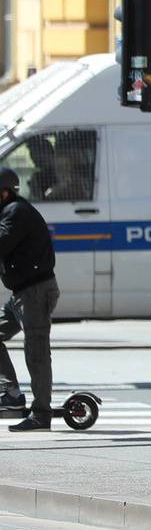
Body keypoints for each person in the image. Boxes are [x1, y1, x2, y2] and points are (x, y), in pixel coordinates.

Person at [0, 167, 59, 431]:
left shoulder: (16, 213)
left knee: (36, 353)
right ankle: (11, 395)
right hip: (21, 294)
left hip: (34, 292)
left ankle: (41, 414)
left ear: (3, 192)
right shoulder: (8, 211)